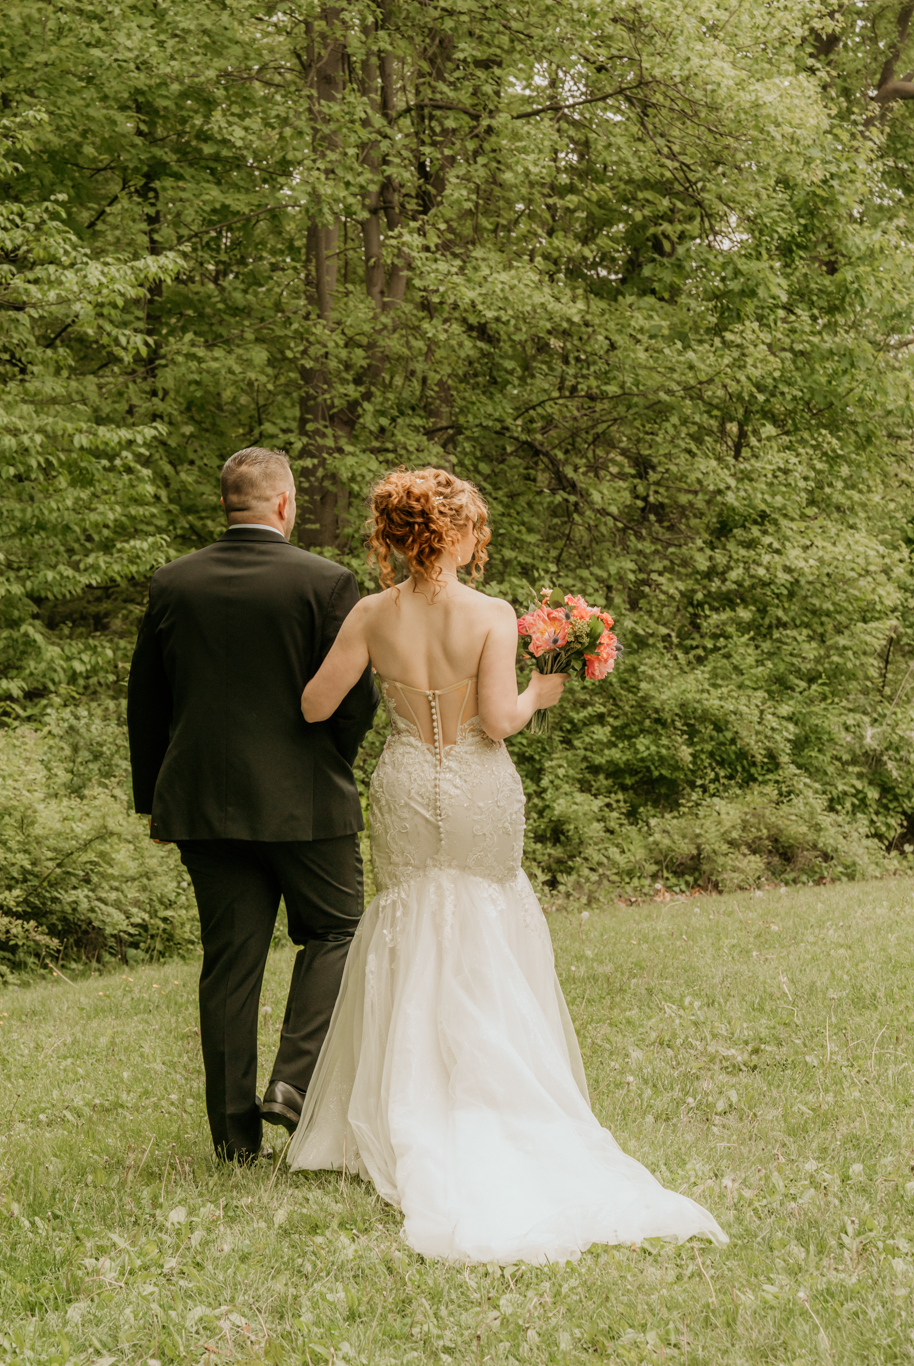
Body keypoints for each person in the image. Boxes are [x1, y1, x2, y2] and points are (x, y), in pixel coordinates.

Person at [287, 467, 727, 1263]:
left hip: (403, 782)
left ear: (396, 538)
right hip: (476, 785)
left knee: (407, 923)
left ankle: (401, 1103)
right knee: (483, 919)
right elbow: (497, 721)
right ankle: (490, 1098)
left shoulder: (369, 614)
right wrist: (540, 691)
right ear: (455, 535)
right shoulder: (489, 614)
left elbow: (315, 704)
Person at [127, 448, 379, 1163]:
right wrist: (328, 764)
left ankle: (233, 1141)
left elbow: (146, 700)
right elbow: (355, 700)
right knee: (336, 931)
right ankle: (292, 1082)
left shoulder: (173, 583)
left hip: (204, 805)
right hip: (308, 801)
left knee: (230, 965)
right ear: (285, 504)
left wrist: (155, 801)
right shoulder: (326, 582)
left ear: (225, 504)